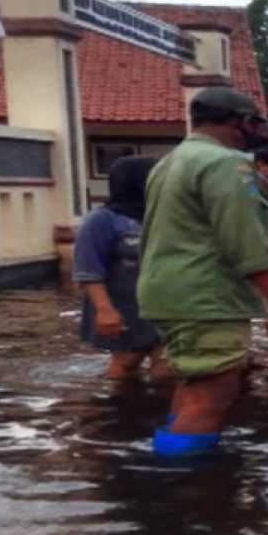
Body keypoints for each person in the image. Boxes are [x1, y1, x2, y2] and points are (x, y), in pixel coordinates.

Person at [138, 87, 268, 458]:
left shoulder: (171, 160)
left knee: (193, 385)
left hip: (169, 292)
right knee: (214, 394)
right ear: (242, 122)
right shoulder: (227, 164)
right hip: (206, 296)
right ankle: (189, 493)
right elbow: (243, 241)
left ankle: (172, 467)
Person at [73, 156, 172, 380]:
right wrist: (105, 311)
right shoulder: (102, 220)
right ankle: (115, 410)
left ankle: (167, 414)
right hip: (122, 305)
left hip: (162, 304)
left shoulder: (159, 217)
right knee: (127, 362)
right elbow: (87, 270)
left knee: (167, 365)